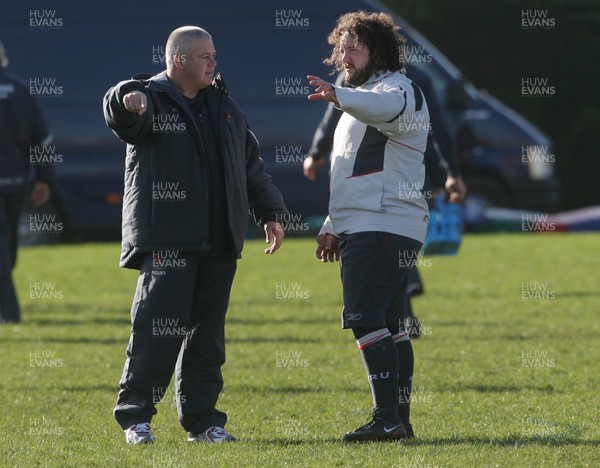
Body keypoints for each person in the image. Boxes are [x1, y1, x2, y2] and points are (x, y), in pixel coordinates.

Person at [103, 26, 287, 445]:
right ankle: (136, 420)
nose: (213, 63)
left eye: (214, 55)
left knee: (207, 341)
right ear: (178, 60)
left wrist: (271, 212)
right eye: (204, 56)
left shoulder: (224, 106)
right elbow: (119, 109)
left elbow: (249, 165)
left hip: (220, 240)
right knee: (156, 332)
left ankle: (203, 422)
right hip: (169, 240)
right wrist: (125, 98)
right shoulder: (149, 98)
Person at [307, 11, 429, 442]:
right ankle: (399, 421)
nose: (344, 55)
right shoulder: (358, 99)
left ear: (377, 49)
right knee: (392, 326)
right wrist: (332, 224)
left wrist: (340, 96)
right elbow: (348, 173)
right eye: (340, 47)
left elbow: (389, 108)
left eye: (353, 47)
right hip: (373, 223)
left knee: (364, 319)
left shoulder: (397, 88)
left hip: (383, 223)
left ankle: (387, 420)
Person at [303, 65, 467, 337]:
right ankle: (403, 318)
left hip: (384, 189)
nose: (346, 57)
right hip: (405, 183)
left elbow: (332, 118)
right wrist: (449, 175)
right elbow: (438, 129)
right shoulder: (410, 77)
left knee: (385, 258)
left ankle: (396, 321)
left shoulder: (362, 79)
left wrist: (315, 153)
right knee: (394, 259)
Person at [0, 40, 53, 324]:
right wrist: (44, 179)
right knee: (7, 244)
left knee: (2, 247)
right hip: (17, 181)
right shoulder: (22, 90)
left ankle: (9, 313)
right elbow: (43, 138)